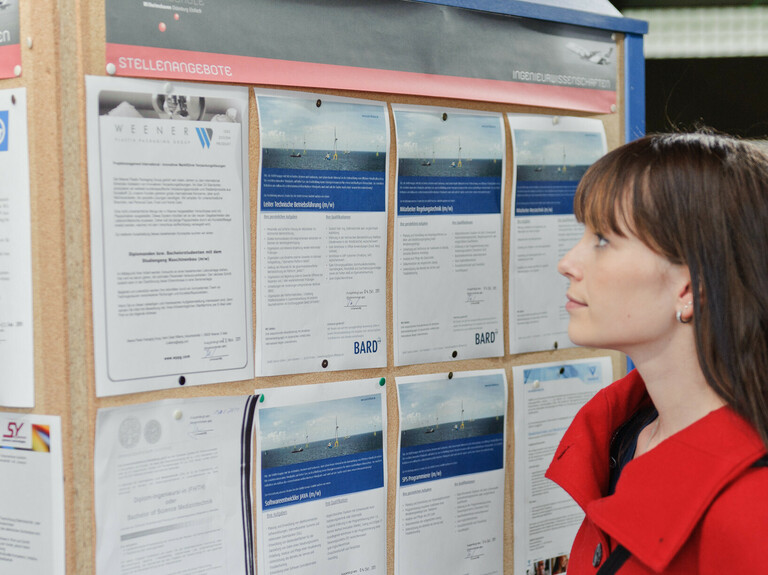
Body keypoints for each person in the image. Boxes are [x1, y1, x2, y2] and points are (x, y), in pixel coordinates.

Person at [546, 132, 768, 574]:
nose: (567, 263)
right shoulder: (621, 435)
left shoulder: (752, 506)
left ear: (689, 288)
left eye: (603, 239)